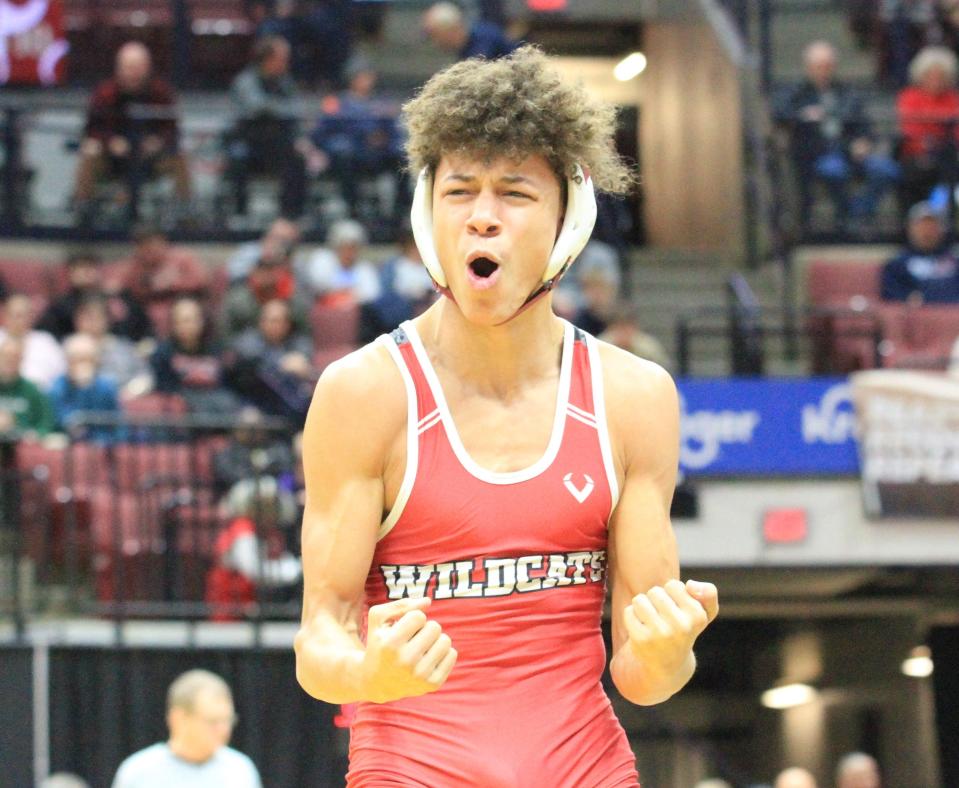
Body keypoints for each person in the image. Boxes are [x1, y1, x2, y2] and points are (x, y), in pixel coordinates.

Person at [293, 46, 719, 785]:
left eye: (514, 193)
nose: (482, 219)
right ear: (428, 212)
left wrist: (666, 648)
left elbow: (644, 677)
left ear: (568, 218)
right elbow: (316, 644)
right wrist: (369, 671)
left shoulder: (632, 396)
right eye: (460, 192)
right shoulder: (364, 394)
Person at [776, 40, 898, 231]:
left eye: (828, 66)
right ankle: (847, 217)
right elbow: (780, 114)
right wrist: (803, 115)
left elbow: (864, 125)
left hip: (850, 149)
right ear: (808, 68)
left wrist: (863, 141)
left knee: (886, 170)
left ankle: (858, 212)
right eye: (818, 66)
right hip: (816, 153)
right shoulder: (796, 93)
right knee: (834, 171)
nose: (823, 71)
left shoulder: (847, 93)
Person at [73, 41, 191, 217]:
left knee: (180, 156)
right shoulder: (104, 93)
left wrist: (156, 142)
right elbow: (92, 129)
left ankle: (185, 214)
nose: (133, 73)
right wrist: (110, 141)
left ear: (148, 68)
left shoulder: (161, 92)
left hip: (150, 159)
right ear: (118, 69)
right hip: (112, 159)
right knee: (90, 151)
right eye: (128, 68)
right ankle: (83, 212)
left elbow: (172, 129)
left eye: (138, 68)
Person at [111, 669, 261, 788]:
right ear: (178, 718)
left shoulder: (240, 770)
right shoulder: (138, 772)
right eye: (213, 721)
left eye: (227, 720)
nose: (224, 730)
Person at [227, 36, 308, 219]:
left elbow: (296, 109)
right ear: (269, 59)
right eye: (283, 58)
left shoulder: (284, 82)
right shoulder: (245, 80)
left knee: (297, 157)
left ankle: (290, 216)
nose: (286, 63)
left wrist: (279, 110)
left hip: (277, 144)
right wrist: (279, 108)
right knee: (238, 156)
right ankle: (240, 215)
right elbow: (257, 107)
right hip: (249, 141)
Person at [206, 476, 302, 621]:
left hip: (257, 612)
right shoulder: (243, 531)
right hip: (233, 615)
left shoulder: (270, 533)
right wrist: (295, 570)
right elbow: (254, 570)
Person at [227, 299, 316, 422]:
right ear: (261, 322)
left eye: (279, 321)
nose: (274, 325)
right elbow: (250, 360)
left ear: (288, 324)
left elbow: (304, 366)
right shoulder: (248, 341)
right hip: (256, 399)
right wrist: (281, 362)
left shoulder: (299, 342)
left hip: (289, 402)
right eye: (270, 320)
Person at [896, 46, 959, 213]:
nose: (936, 80)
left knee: (949, 172)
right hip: (914, 155)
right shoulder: (910, 97)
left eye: (941, 76)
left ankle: (944, 217)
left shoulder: (953, 98)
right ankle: (912, 222)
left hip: (946, 156)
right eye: (931, 75)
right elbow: (911, 129)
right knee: (911, 175)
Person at [37, 250, 151, 342]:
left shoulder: (117, 296)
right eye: (80, 268)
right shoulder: (61, 305)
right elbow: (47, 335)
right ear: (70, 274)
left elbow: (143, 327)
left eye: (90, 267)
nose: (86, 273)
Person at [150, 297, 239, 414]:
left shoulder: (219, 350)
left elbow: (230, 386)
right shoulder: (162, 353)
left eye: (190, 320)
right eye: (180, 321)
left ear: (202, 321)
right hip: (184, 411)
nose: (186, 325)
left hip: (219, 405)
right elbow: (164, 389)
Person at [48, 334, 121, 442]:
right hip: (69, 448)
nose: (82, 365)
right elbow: (67, 423)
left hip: (103, 446)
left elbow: (117, 422)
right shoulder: (57, 388)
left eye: (88, 360)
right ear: (68, 361)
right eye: (77, 360)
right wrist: (83, 389)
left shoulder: (107, 387)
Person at [881, 200, 959, 302]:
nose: (927, 231)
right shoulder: (897, 264)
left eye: (932, 226)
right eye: (922, 226)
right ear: (910, 229)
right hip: (917, 316)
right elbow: (891, 295)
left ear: (941, 230)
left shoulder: (954, 260)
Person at [303, 219, 380, 306]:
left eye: (354, 247)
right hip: (325, 309)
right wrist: (342, 293)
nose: (349, 252)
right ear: (336, 246)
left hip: (354, 311)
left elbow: (372, 294)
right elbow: (317, 285)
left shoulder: (364, 268)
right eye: (345, 247)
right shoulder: (323, 260)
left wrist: (345, 296)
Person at [0, 294, 66, 391]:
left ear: (32, 316)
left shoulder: (46, 342)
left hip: (41, 397)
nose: (20, 320)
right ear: (4, 314)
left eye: (25, 315)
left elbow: (62, 375)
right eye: (16, 315)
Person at [422, 1, 519, 61]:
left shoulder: (485, 40)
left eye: (435, 35)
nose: (435, 43)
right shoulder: (467, 49)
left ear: (449, 29)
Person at [0, 337, 53, 437]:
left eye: (15, 357)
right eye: (5, 356)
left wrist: (35, 434)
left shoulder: (32, 390)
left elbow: (45, 423)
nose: (10, 360)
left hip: (21, 445)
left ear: (22, 360)